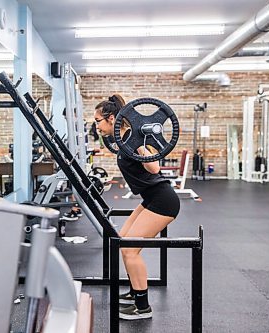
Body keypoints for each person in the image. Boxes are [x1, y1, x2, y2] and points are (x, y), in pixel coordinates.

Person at [94, 94, 180, 320]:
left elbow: (154, 168)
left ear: (111, 119)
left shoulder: (137, 138)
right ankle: (135, 292)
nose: (96, 126)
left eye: (98, 121)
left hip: (163, 200)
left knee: (131, 249)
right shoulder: (123, 140)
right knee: (123, 240)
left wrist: (142, 144)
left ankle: (142, 307)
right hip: (150, 198)